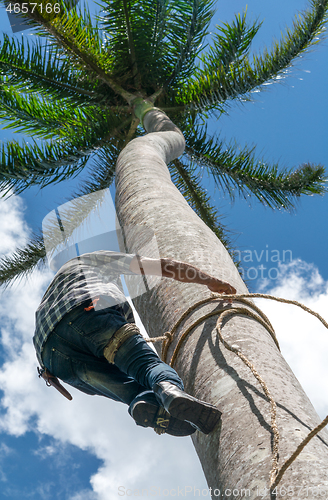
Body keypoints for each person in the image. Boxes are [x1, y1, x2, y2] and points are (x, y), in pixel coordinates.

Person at [34, 250, 236, 436]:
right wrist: (210, 281)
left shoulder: (52, 294)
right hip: (89, 309)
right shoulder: (92, 259)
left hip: (51, 357)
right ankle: (169, 389)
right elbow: (164, 266)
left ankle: (151, 406)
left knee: (133, 390)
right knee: (146, 367)